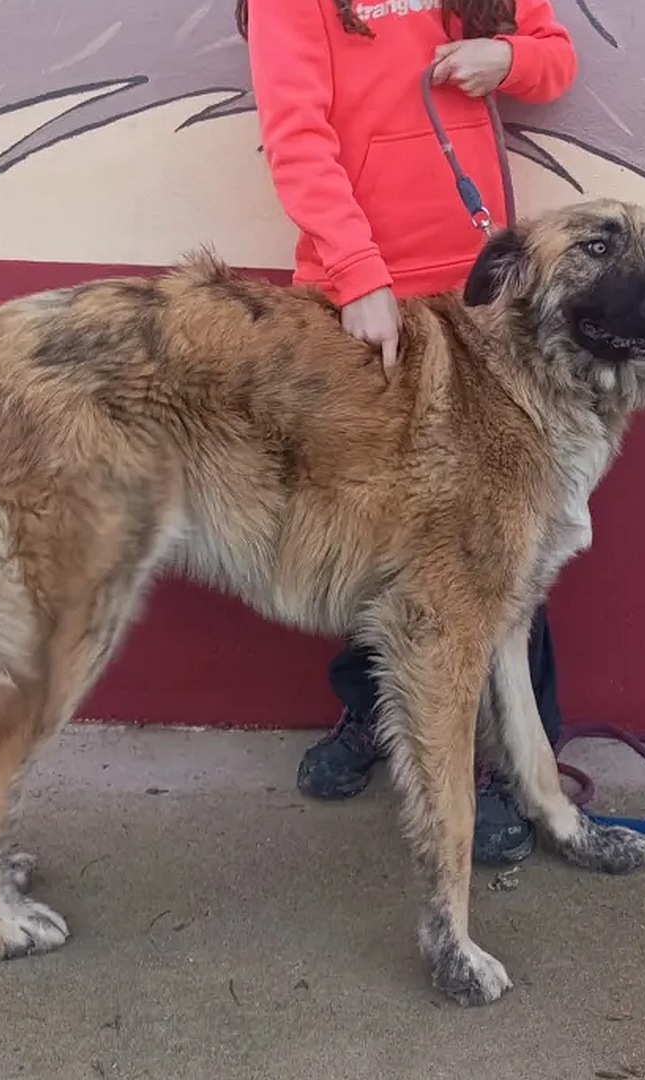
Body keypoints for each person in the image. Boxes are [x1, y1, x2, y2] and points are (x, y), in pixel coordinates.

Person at [237, 0, 577, 864]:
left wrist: (505, 60)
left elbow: (554, 56)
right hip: (362, 300)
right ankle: (373, 709)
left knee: (497, 539)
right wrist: (358, 275)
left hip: (481, 292)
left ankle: (502, 762)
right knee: (375, 527)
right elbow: (296, 135)